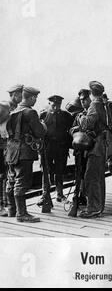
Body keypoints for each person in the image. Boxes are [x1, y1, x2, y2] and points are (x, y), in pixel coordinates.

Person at [5, 87, 47, 222]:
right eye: (35, 98)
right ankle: (21, 214)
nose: (35, 100)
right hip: (24, 152)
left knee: (11, 180)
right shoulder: (30, 112)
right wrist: (43, 125)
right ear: (32, 98)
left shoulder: (12, 111)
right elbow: (39, 132)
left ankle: (12, 210)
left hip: (11, 150)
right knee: (22, 182)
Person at [78, 81, 107, 218]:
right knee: (98, 176)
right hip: (102, 145)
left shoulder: (94, 105)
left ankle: (94, 208)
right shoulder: (103, 103)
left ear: (91, 93)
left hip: (96, 146)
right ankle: (99, 206)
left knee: (91, 177)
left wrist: (81, 116)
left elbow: (87, 125)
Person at [39, 95, 73, 203]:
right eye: (53, 105)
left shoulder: (66, 115)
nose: (55, 107)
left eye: (58, 105)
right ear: (49, 104)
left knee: (60, 171)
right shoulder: (43, 115)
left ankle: (60, 195)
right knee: (46, 171)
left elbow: (71, 129)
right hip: (47, 147)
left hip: (61, 147)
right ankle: (45, 195)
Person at [0, 84, 23, 217]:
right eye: (18, 95)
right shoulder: (5, 106)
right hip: (1, 145)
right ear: (12, 95)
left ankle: (7, 206)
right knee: (1, 176)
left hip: (8, 147)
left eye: (21, 94)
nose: (20, 97)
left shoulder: (15, 107)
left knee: (6, 176)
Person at [68, 89, 92, 212]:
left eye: (85, 99)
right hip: (80, 151)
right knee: (79, 174)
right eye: (81, 100)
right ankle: (79, 196)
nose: (83, 102)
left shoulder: (93, 113)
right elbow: (71, 130)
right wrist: (77, 129)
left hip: (92, 150)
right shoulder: (79, 115)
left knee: (89, 174)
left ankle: (87, 196)